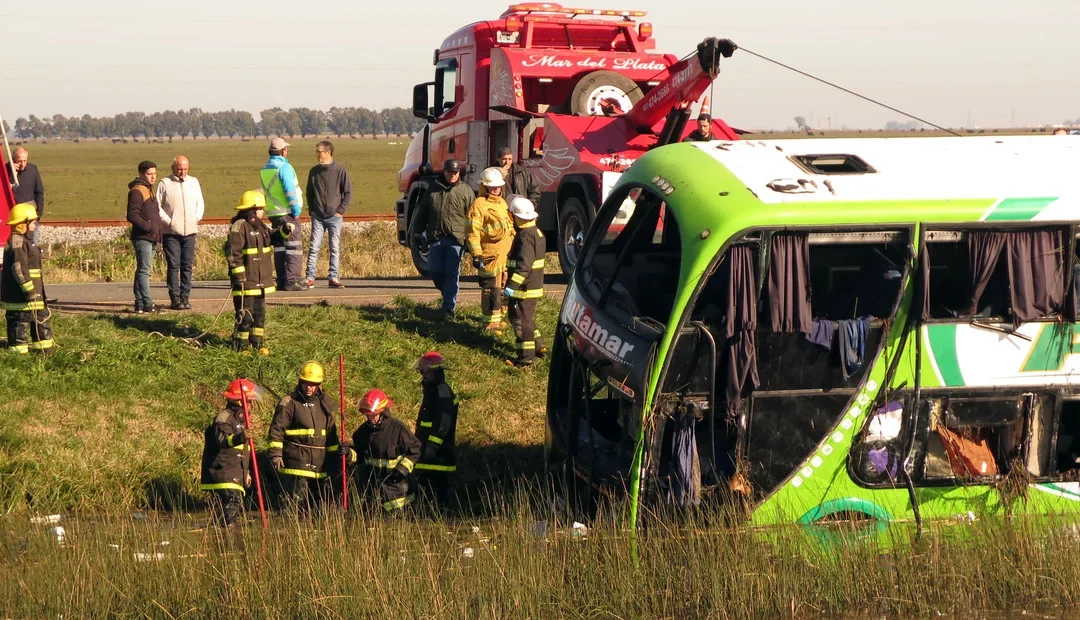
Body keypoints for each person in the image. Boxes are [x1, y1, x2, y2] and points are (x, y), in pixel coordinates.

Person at [268, 361, 347, 516]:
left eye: (313, 384)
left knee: (319, 508)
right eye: (306, 383)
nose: (309, 387)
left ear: (319, 385)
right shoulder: (289, 403)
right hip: (296, 463)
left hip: (320, 465)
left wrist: (336, 458)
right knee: (293, 506)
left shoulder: (325, 404)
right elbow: (276, 431)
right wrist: (276, 454)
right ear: (300, 382)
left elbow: (331, 435)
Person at [226, 190, 290, 354]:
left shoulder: (261, 226)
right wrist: (239, 277)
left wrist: (284, 231)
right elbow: (234, 254)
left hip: (261, 282)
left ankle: (257, 344)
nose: (263, 211)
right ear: (252, 210)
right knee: (245, 316)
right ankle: (240, 346)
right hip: (246, 283)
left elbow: (272, 239)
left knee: (259, 315)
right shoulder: (239, 226)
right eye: (261, 208)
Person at [410, 159, 475, 316]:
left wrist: (472, 240)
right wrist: (417, 233)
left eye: (455, 172)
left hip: (457, 239)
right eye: (449, 172)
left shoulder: (466, 191)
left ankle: (448, 308)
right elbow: (421, 213)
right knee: (435, 270)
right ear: (444, 172)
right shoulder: (432, 190)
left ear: (459, 173)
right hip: (436, 238)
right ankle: (446, 292)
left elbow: (474, 217)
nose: (452, 175)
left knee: (452, 273)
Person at [200, 378, 261, 527]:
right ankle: (223, 531)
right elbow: (223, 441)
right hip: (223, 471)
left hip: (234, 472)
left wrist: (245, 473)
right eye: (249, 401)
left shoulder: (241, 420)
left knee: (228, 507)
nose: (251, 404)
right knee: (233, 502)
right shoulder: (224, 417)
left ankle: (223, 530)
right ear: (239, 401)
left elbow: (242, 452)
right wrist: (242, 436)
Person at [351, 389, 422, 514]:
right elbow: (359, 457)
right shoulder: (362, 433)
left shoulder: (398, 429)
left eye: (374, 414)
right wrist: (348, 453)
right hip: (373, 493)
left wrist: (402, 470)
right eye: (368, 415)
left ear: (383, 412)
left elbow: (415, 449)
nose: (371, 418)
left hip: (398, 494)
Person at [466, 167, 515, 335]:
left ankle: (500, 318)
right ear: (485, 187)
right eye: (493, 186)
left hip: (505, 255)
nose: (496, 189)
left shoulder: (502, 202)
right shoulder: (479, 205)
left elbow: (510, 228)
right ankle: (490, 324)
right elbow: (473, 233)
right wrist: (476, 254)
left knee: (503, 288)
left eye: (498, 186)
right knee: (490, 289)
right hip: (489, 256)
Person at [1, 203, 54, 354]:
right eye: (32, 222)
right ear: (22, 224)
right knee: (19, 324)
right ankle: (18, 356)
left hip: (34, 295)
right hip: (21, 297)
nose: (35, 226)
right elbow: (19, 269)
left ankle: (44, 351)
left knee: (41, 321)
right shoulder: (17, 243)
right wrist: (29, 290)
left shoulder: (27, 241)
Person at [155, 155, 205, 310]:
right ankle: (175, 297)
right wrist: (168, 221)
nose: (182, 172)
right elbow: (157, 206)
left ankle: (185, 296)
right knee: (174, 265)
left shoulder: (194, 182)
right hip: (171, 233)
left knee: (187, 265)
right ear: (173, 168)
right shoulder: (165, 183)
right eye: (179, 169)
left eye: (184, 169)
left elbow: (200, 202)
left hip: (190, 232)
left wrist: (196, 217)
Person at [504, 196, 547, 367]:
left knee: (520, 321)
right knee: (526, 317)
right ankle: (539, 345)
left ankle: (526, 358)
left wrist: (511, 286)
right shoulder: (536, 232)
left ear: (517, 217)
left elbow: (524, 266)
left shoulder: (524, 236)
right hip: (532, 286)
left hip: (524, 288)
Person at [304, 140, 352, 289]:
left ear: (328, 152)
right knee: (314, 247)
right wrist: (312, 210)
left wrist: (340, 211)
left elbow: (348, 193)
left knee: (334, 247)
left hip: (334, 217)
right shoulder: (314, 171)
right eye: (316, 151)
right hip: (318, 216)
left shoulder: (340, 170)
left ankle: (333, 277)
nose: (317, 154)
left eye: (319, 151)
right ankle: (310, 277)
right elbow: (309, 193)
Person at [260, 137, 306, 291]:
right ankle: (292, 281)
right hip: (287, 212)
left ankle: (281, 280)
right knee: (294, 247)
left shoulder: (265, 168)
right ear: (283, 151)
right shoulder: (284, 167)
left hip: (274, 213)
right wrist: (296, 210)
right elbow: (289, 190)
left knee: (280, 247)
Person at [413, 352, 459, 505]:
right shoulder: (433, 390)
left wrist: (431, 448)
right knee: (427, 492)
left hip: (438, 454)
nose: (422, 375)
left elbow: (442, 425)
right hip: (429, 451)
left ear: (434, 371)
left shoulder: (441, 392)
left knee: (438, 493)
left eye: (424, 372)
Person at [126, 160, 162, 314]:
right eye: (149, 174)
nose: (153, 177)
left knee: (142, 269)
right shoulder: (137, 191)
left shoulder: (149, 189)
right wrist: (148, 227)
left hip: (153, 236)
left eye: (154, 173)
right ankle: (148, 303)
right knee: (144, 271)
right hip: (143, 237)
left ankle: (139, 303)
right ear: (141, 174)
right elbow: (132, 214)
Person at [7, 147, 45, 245]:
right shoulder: (5, 170)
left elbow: (39, 191)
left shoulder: (33, 169)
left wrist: (38, 213)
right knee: (16, 245)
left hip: (30, 212)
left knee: (32, 243)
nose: (23, 164)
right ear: (13, 159)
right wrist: (12, 174)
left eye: (25, 161)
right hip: (14, 214)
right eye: (20, 161)